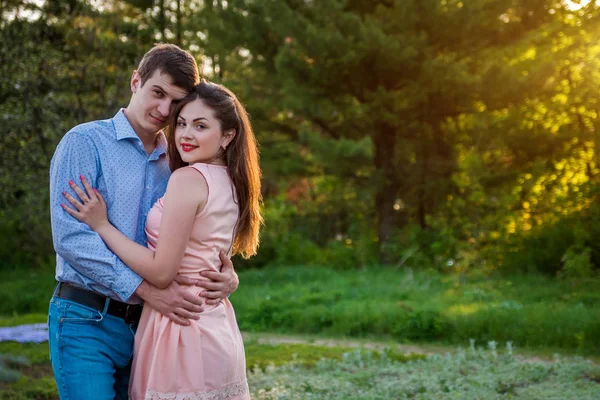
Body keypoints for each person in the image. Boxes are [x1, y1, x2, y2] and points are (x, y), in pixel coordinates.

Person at [48, 44, 240, 400]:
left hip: (149, 327)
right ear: (136, 81)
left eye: (175, 102)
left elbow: (195, 236)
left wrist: (228, 276)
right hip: (88, 317)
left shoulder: (178, 159)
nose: (164, 109)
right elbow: (71, 239)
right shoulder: (84, 143)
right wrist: (148, 290)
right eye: (158, 92)